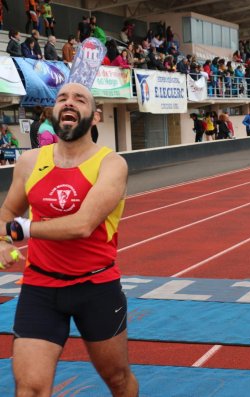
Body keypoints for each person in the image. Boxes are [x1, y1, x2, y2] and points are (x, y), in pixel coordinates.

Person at [0, 82, 138, 396]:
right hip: (40, 288)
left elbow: (82, 225)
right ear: (53, 112)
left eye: (79, 98)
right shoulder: (29, 162)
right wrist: (2, 240)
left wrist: (21, 230)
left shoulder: (111, 164)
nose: (69, 102)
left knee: (117, 379)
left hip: (96, 288)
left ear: (96, 116)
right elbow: (7, 212)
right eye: (62, 98)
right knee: (30, 388)